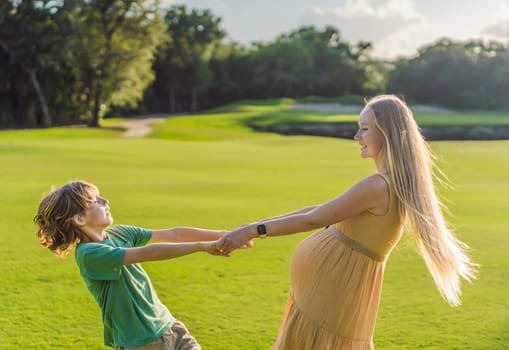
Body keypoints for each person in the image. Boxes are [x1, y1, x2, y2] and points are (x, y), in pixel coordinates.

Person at [217, 94, 478, 349]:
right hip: (329, 299)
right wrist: (249, 229)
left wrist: (253, 230)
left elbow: (313, 220)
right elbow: (319, 211)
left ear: (385, 133)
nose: (357, 137)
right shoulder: (388, 184)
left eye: (364, 129)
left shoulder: (379, 185)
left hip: (333, 300)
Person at [34, 180, 235, 350]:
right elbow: (149, 253)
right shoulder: (89, 254)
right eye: (95, 201)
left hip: (169, 326)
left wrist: (225, 235)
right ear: (79, 218)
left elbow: (174, 234)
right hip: (141, 342)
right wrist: (202, 246)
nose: (106, 201)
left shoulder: (120, 233)